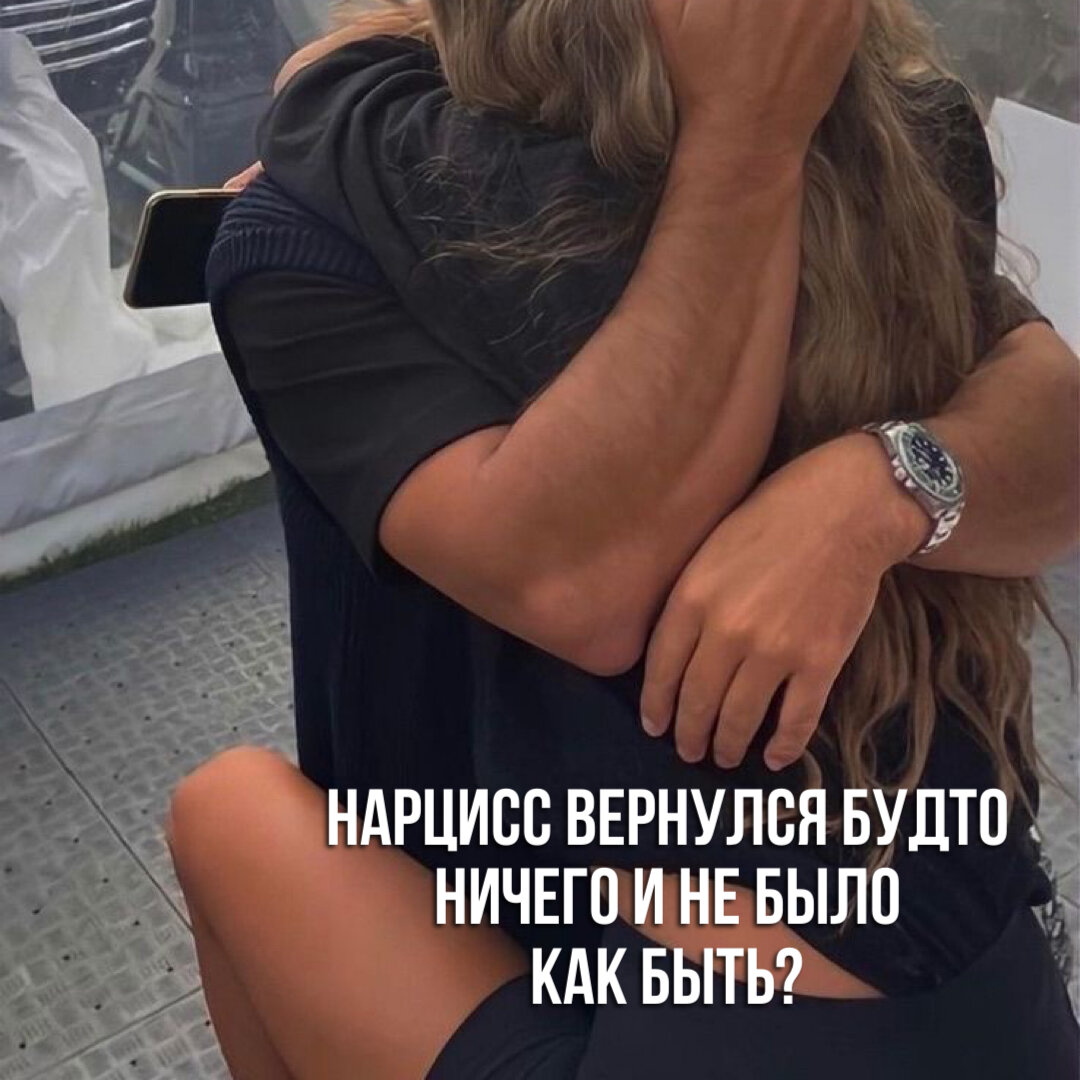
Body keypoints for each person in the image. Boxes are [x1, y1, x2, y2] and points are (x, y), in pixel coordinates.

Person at [168, 0, 1080, 1076]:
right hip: (972, 957)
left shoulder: (339, 211)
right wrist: (887, 487)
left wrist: (872, 486)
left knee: (226, 812)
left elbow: (586, 585)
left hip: (694, 1018)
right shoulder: (888, 137)